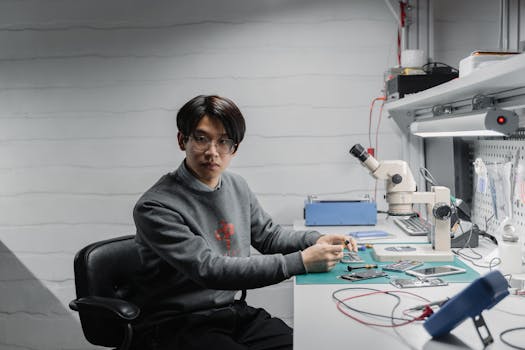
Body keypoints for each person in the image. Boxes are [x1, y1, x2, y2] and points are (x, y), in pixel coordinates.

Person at [131, 94, 357, 350]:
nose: (212, 152)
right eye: (201, 138)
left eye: (223, 141)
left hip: (232, 312)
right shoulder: (156, 206)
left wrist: (314, 239)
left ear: (234, 148)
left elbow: (269, 237)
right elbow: (210, 270)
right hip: (178, 323)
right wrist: (301, 262)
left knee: (304, 345)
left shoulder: (237, 186)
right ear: (183, 140)